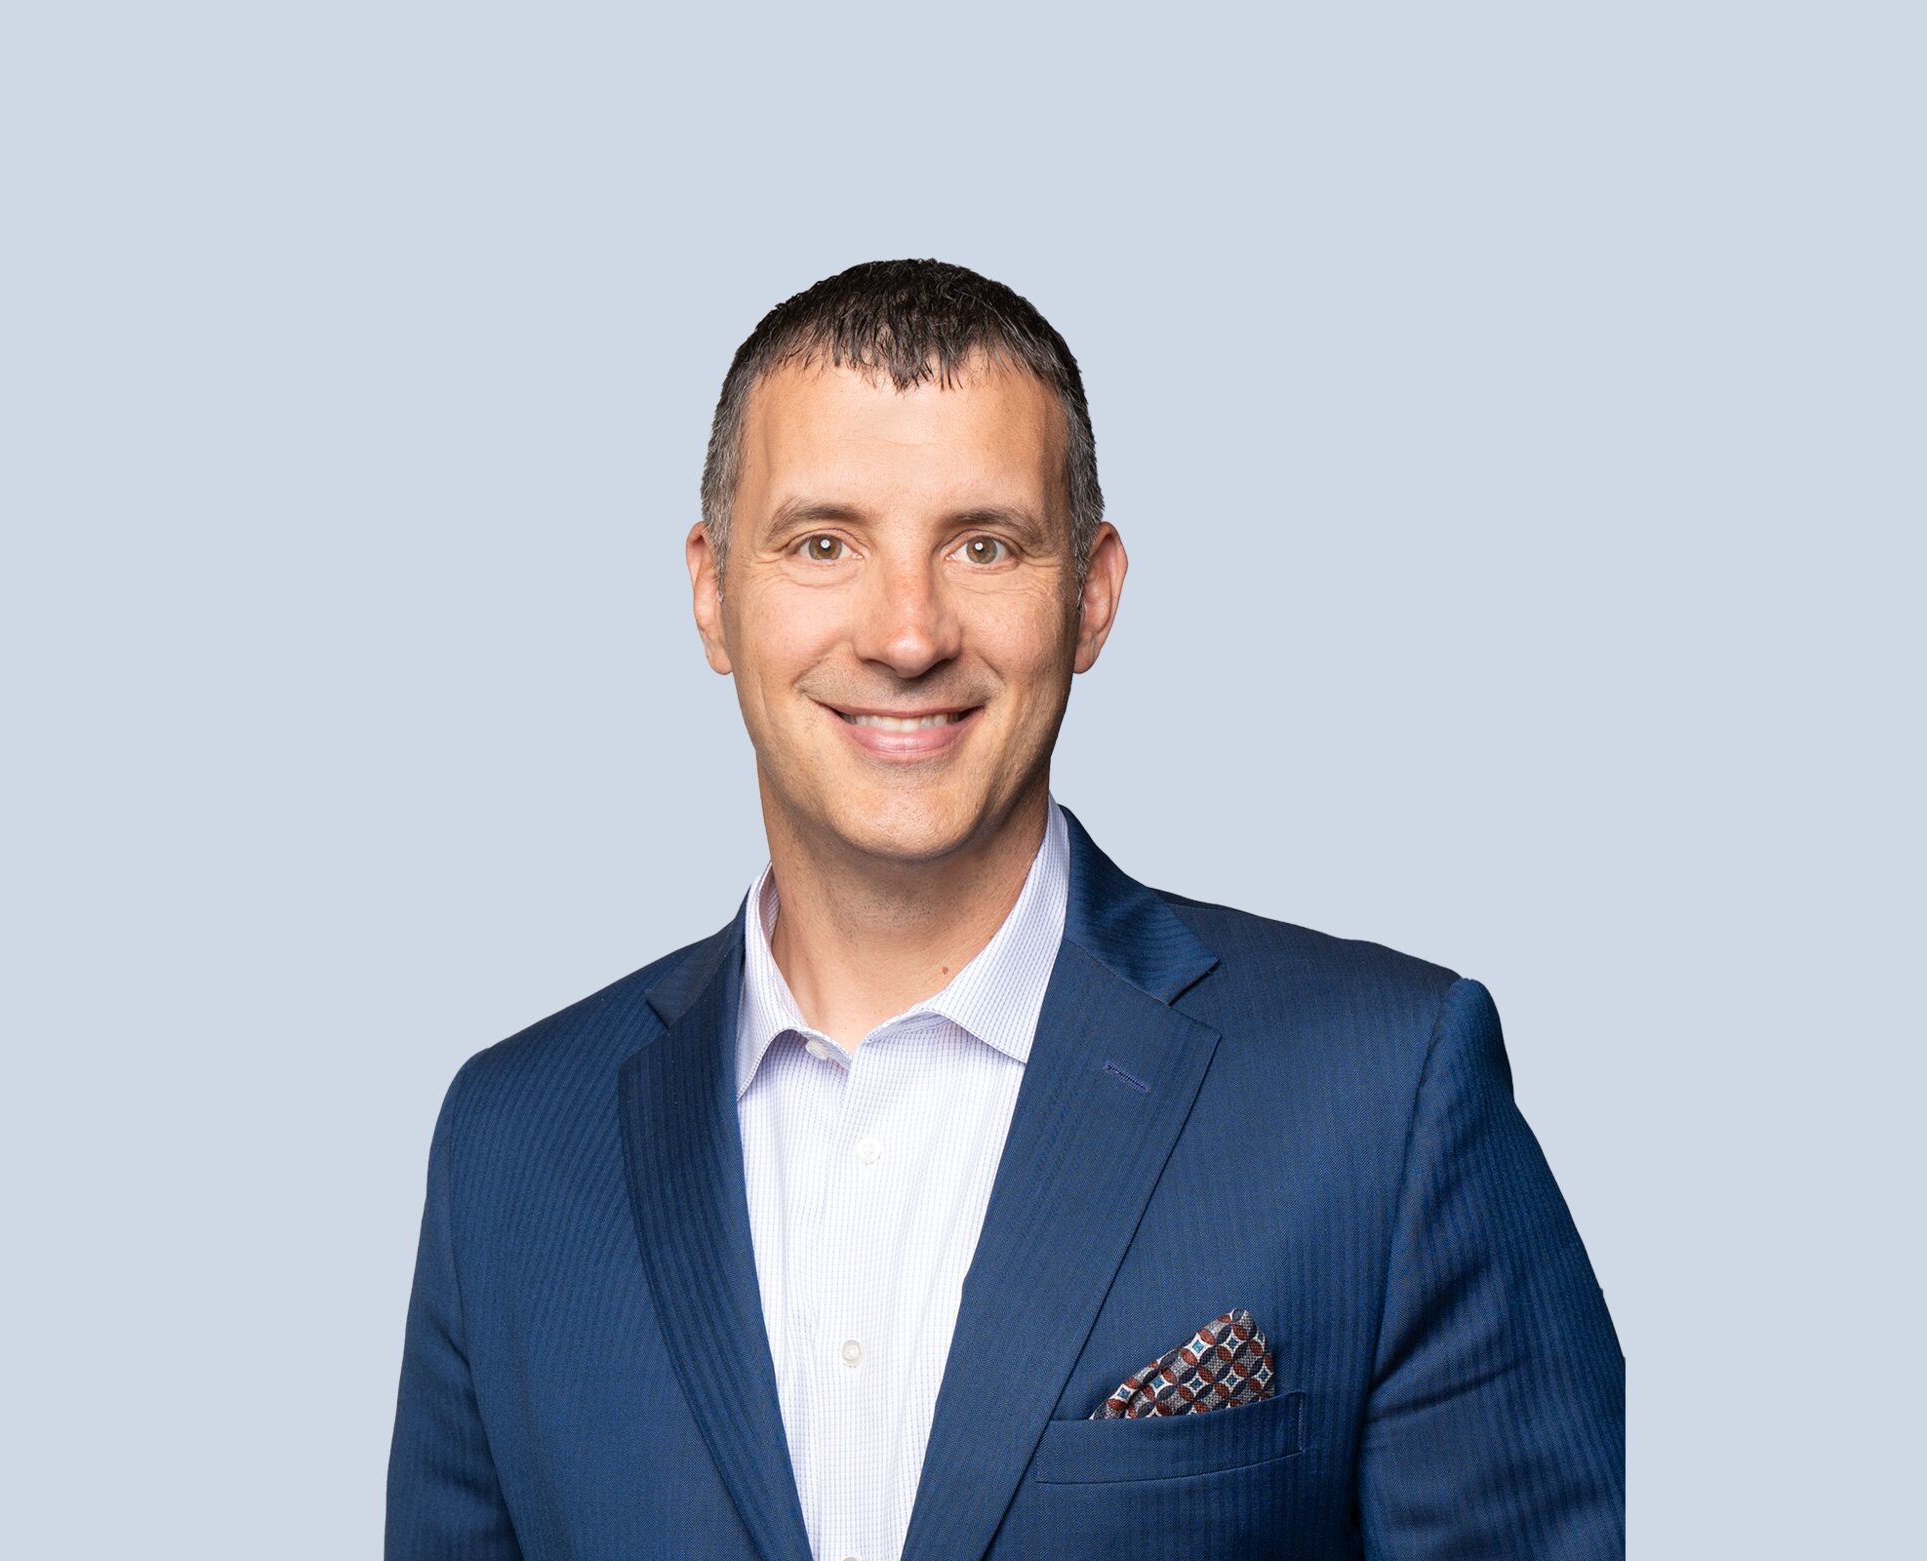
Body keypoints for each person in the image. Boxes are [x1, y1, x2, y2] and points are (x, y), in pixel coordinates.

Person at [385, 258, 1625, 1561]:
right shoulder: (509, 1148)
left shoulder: (1382, 1097)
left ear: (1090, 591)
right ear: (712, 591)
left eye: (984, 544)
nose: (907, 632)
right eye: (824, 543)